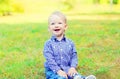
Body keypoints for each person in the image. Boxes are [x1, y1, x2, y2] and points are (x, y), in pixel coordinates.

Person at [43, 11, 96, 79]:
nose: (56, 25)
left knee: (75, 75)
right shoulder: (48, 44)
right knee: (60, 78)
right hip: (53, 71)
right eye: (53, 24)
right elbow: (50, 60)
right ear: (49, 28)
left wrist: (72, 67)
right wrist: (58, 70)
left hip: (67, 68)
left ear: (65, 27)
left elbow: (74, 56)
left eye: (59, 23)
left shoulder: (70, 43)